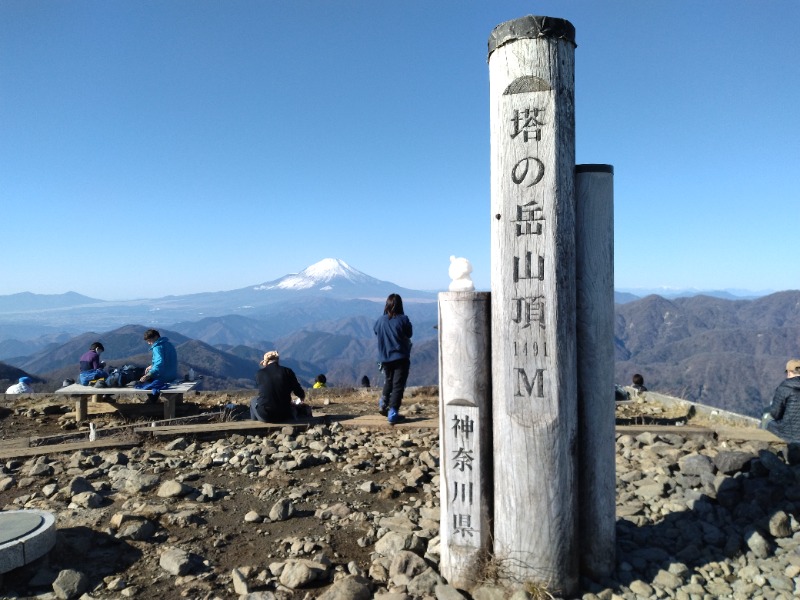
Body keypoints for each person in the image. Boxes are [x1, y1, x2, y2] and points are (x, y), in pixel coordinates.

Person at [374, 293, 413, 424]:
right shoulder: (403, 319)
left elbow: (376, 331)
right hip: (400, 357)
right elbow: (409, 333)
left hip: (384, 358)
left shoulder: (380, 320)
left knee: (388, 381)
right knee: (398, 385)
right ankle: (393, 413)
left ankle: (383, 402)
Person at [250, 351, 307, 422]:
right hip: (285, 413)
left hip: (266, 414)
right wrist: (301, 397)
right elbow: (298, 390)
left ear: (265, 362)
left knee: (253, 401)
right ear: (278, 361)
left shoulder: (259, 373)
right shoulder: (287, 371)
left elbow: (264, 390)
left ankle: (255, 421)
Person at [763, 359, 800, 442]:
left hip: (790, 434)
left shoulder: (785, 387)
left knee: (766, 420)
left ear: (789, 372)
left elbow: (775, 414)